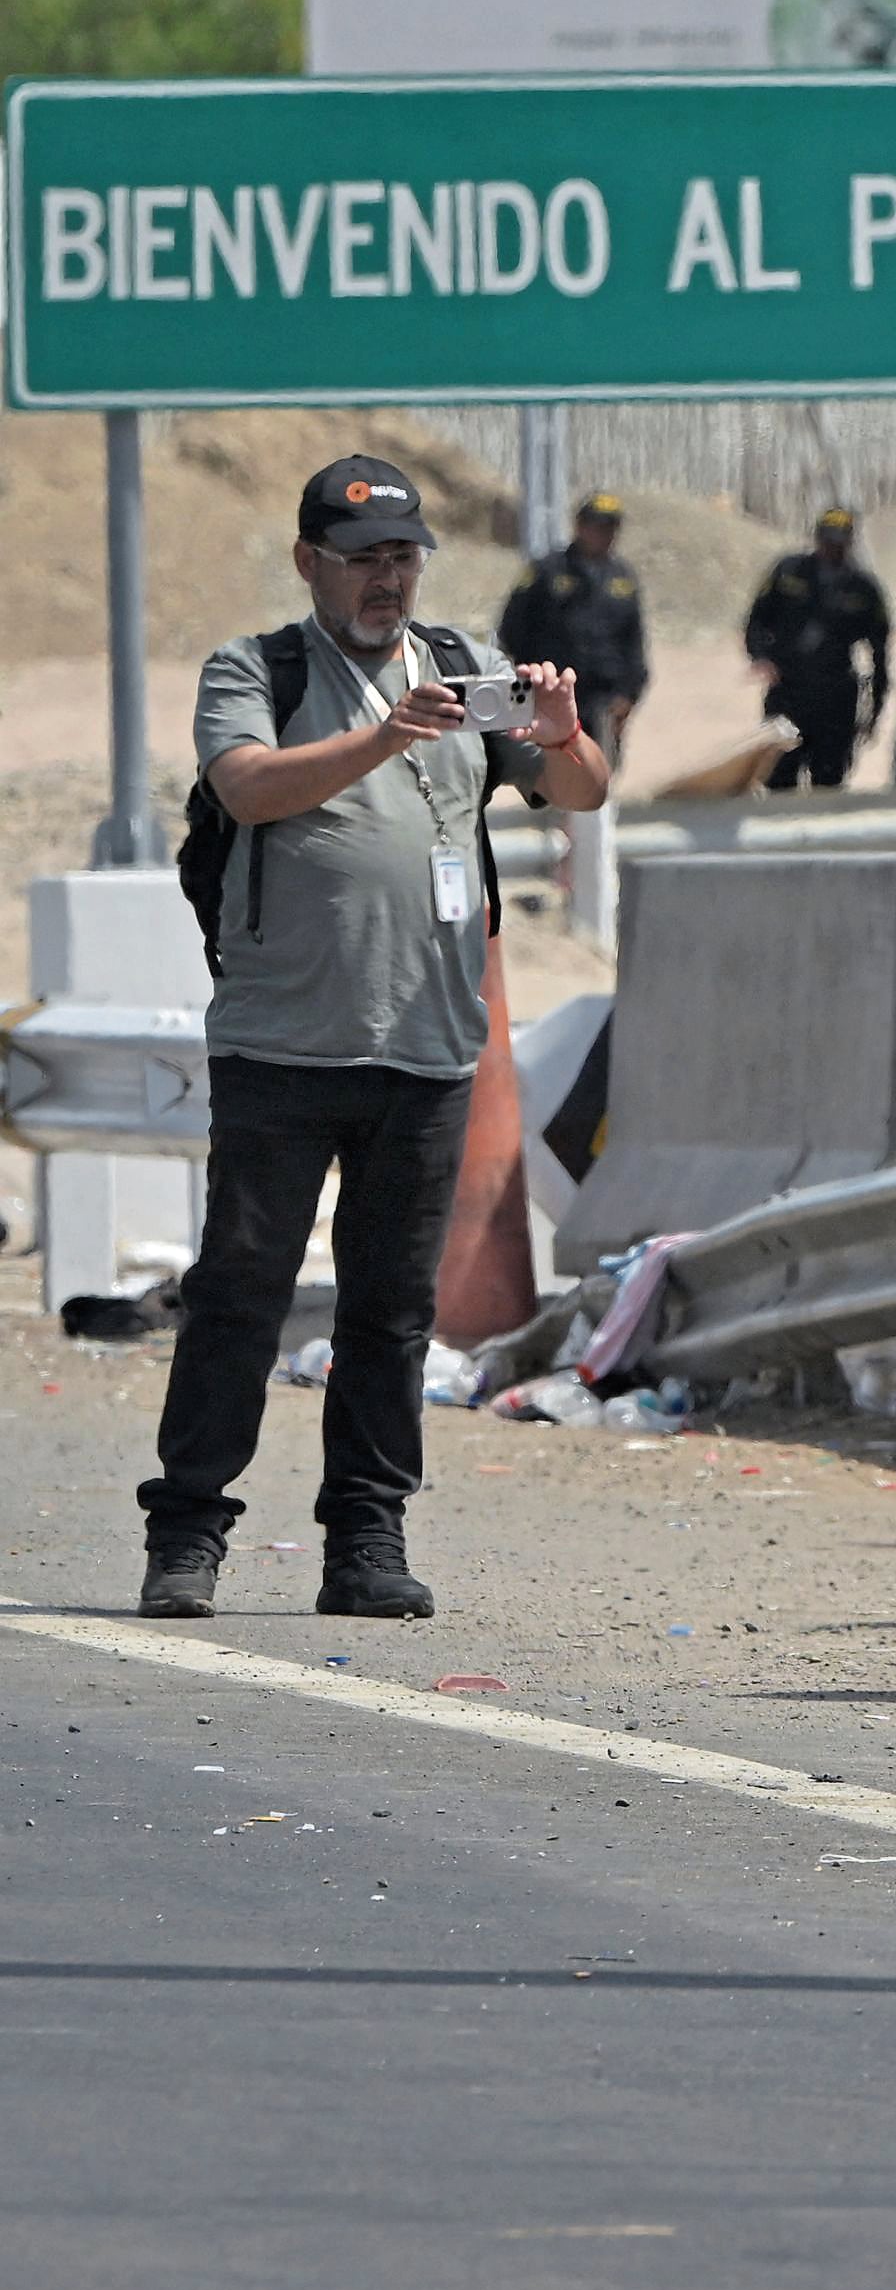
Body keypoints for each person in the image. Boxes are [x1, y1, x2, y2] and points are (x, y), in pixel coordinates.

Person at [137, 456, 612, 1622]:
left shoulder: (457, 667)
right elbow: (247, 787)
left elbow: (584, 792)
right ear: (311, 564)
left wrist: (560, 732)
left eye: (404, 558)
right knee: (239, 1293)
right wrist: (388, 735)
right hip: (282, 1048)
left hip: (428, 1052)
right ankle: (187, 1533)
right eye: (365, 561)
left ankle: (366, 1539)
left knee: (392, 1308)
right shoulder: (259, 667)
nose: (388, 580)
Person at [744, 506, 891, 790]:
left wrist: (875, 710)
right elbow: (756, 620)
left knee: (829, 782)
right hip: (788, 692)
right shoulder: (788, 571)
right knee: (778, 780)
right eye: (826, 539)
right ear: (816, 537)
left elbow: (880, 653)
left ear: (849, 542)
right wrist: (760, 657)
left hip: (835, 700)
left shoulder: (863, 588)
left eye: (838, 541)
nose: (831, 548)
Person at [498, 490, 650, 760]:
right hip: (550, 690)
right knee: (545, 769)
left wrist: (630, 692)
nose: (604, 535)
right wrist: (528, 675)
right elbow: (512, 626)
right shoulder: (547, 571)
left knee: (598, 769)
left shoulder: (623, 579)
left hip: (602, 697)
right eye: (597, 527)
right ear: (580, 525)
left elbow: (634, 640)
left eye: (610, 528)